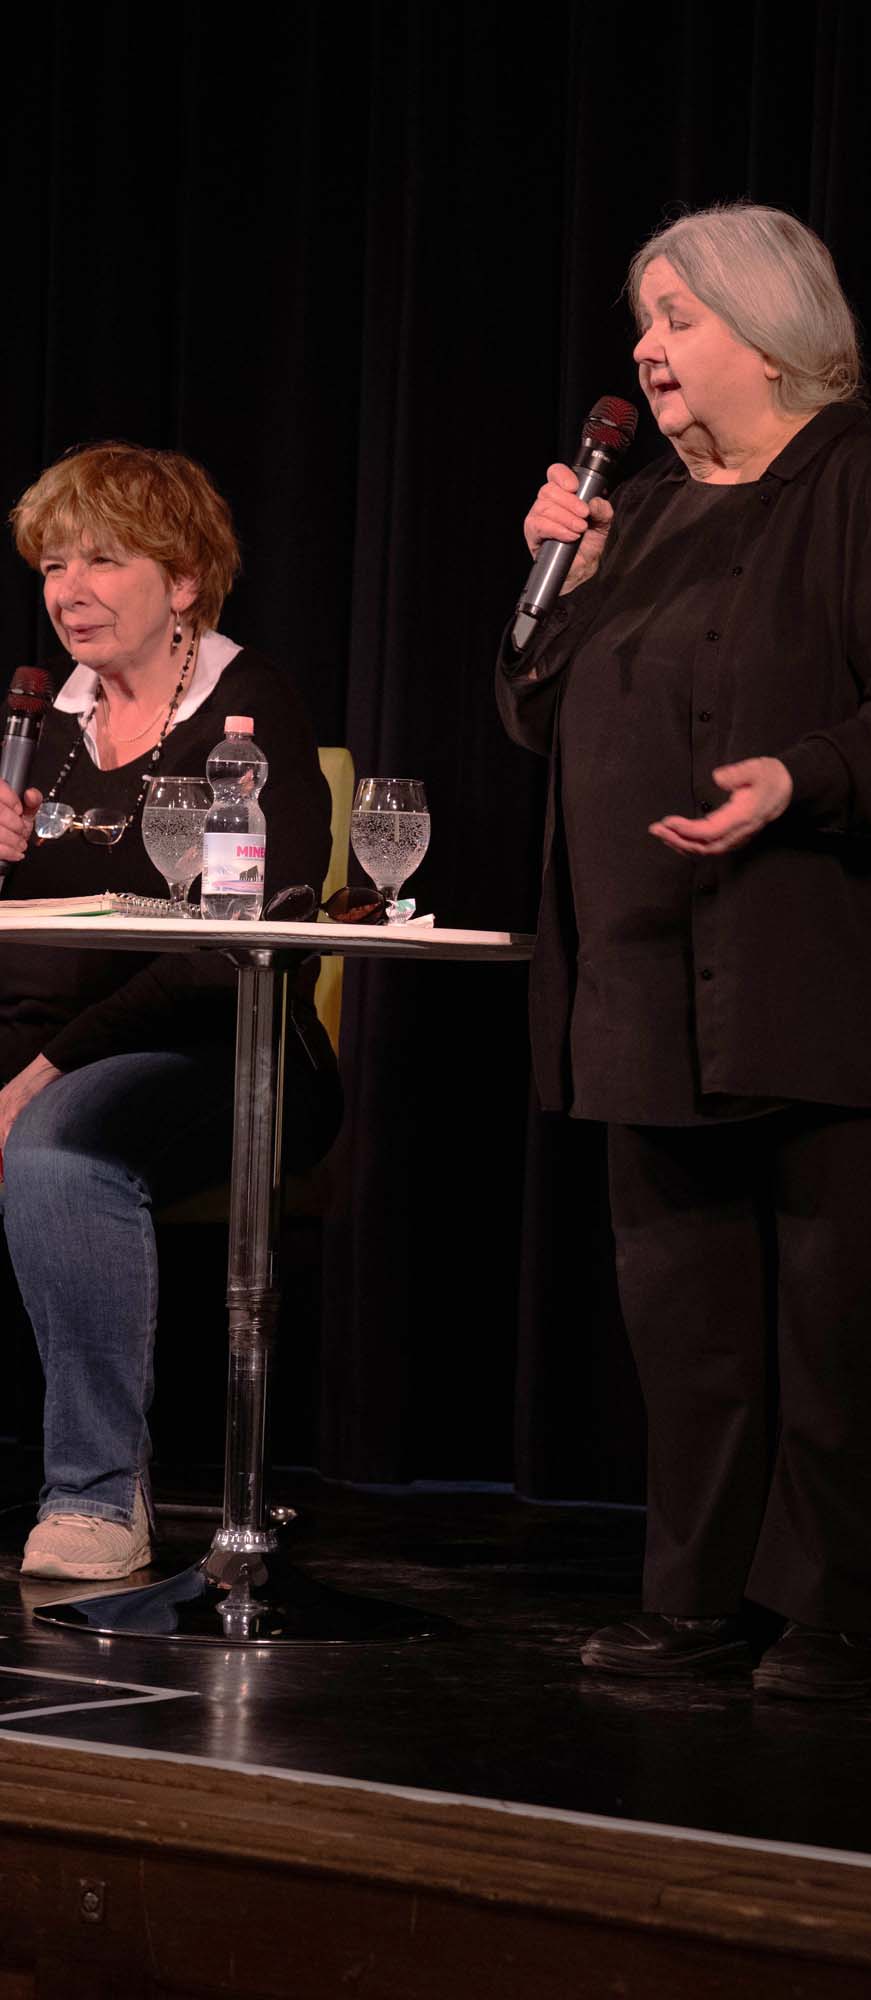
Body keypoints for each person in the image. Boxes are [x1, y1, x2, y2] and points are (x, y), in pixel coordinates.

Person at [498, 204, 871, 1701]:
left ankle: (830, 1611)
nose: (646, 349)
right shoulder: (644, 514)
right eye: (643, 322)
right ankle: (695, 1605)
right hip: (650, 983)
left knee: (838, 1330)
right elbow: (531, 713)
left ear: (773, 333)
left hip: (843, 978)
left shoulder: (869, 488)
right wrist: (561, 580)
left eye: (678, 317)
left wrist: (798, 776)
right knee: (689, 1334)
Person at [1, 441, 341, 1582]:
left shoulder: (246, 710)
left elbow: (235, 943)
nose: (70, 589)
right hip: (41, 1041)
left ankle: (97, 1496)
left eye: (103, 559)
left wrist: (41, 1073)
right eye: (55, 564)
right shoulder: (42, 720)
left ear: (184, 580)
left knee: (60, 1147)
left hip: (221, 1053)